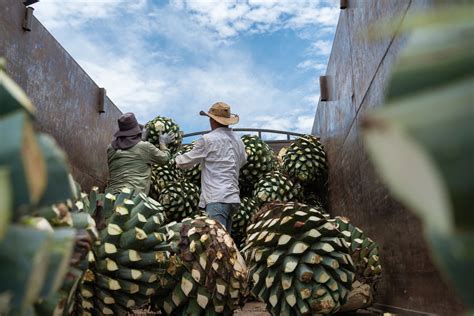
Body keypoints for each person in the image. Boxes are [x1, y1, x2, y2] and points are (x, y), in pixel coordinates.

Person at [175, 102, 247, 231]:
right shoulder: (238, 141)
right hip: (232, 198)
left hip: (217, 199)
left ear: (212, 120)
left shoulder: (207, 139)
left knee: (216, 246)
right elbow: (243, 161)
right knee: (226, 244)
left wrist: (172, 156)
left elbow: (184, 162)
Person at [106, 112, 175, 195]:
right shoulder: (144, 147)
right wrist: (163, 143)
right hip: (131, 199)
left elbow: (130, 152)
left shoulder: (110, 148)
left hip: (110, 197)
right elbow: (165, 159)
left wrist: (142, 139)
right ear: (136, 130)